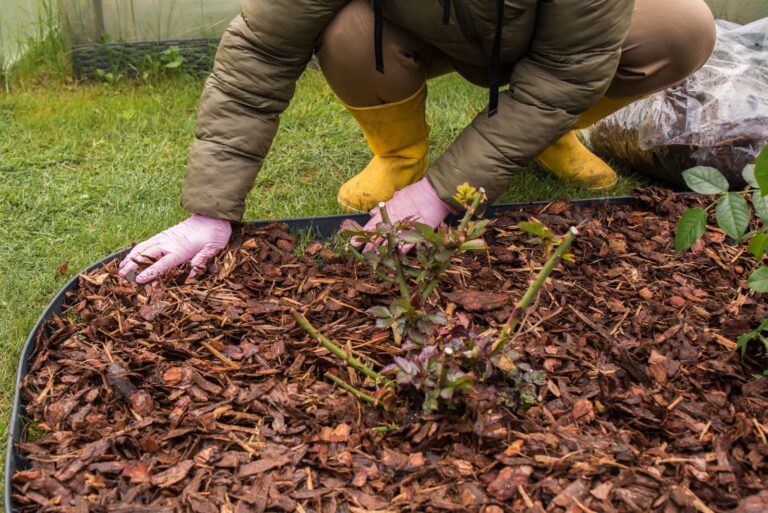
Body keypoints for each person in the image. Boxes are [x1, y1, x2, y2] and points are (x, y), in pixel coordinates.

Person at [118, 0, 716, 284]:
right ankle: (398, 153)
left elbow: (569, 68)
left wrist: (441, 195)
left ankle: (546, 133)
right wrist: (209, 212)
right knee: (345, 30)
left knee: (683, 28)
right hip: (420, 29)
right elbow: (261, 50)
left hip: (552, 38)